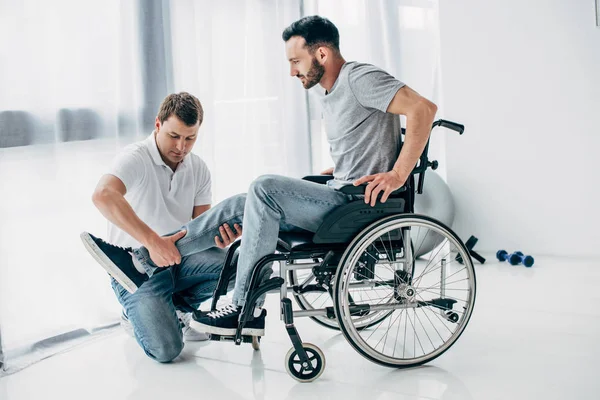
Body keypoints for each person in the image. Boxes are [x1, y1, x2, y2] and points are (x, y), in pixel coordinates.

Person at [81, 15, 437, 338]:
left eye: (296, 61)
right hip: (341, 192)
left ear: (322, 54)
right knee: (241, 204)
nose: (292, 71)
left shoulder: (359, 77)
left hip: (356, 205)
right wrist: (340, 170)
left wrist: (397, 174)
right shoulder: (332, 92)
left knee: (264, 187)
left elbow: (423, 108)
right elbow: (367, 143)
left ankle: (242, 308)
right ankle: (144, 260)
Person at [80, 92, 242, 362]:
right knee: (168, 351)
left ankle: (177, 309)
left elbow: (200, 228)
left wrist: (220, 239)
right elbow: (103, 195)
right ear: (158, 125)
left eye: (190, 138)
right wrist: (153, 243)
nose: (181, 146)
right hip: (138, 276)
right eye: (174, 136)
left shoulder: (198, 168)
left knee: (241, 264)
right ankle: (132, 296)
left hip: (179, 261)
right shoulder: (135, 157)